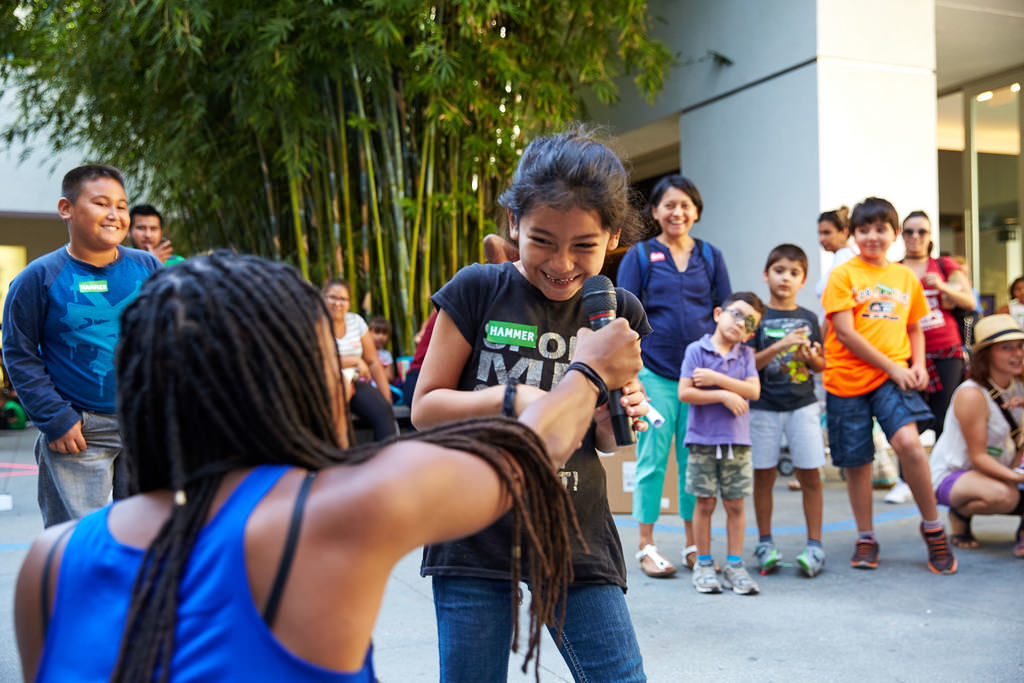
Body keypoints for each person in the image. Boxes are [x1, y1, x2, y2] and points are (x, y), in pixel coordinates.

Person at [14, 252, 646, 682]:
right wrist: (589, 372)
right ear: (292, 382)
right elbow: (531, 453)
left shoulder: (50, 564)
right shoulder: (333, 514)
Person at [413, 126, 651, 682]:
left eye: (584, 246)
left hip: (574, 528)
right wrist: (516, 397)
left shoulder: (620, 314)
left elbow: (612, 444)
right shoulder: (478, 289)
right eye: (541, 240)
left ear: (613, 236)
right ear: (514, 223)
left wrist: (619, 408)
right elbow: (425, 408)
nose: (562, 263)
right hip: (472, 525)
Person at [2, 165, 161, 527]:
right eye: (101, 203)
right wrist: (55, 418)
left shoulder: (149, 268)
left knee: (145, 535)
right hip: (77, 432)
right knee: (75, 542)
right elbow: (18, 353)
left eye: (121, 206)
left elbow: (172, 338)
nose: (114, 215)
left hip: (144, 424)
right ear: (66, 208)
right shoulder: (38, 278)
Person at [822, 196, 957, 574]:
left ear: (894, 234)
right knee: (858, 462)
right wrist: (897, 369)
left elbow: (915, 325)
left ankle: (933, 528)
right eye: (864, 230)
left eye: (881, 229)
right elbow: (845, 333)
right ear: (854, 234)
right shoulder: (844, 274)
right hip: (846, 381)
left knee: (910, 445)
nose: (872, 237)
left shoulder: (904, 277)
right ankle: (866, 537)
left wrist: (915, 364)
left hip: (891, 378)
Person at [617, 174, 732, 578]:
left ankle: (692, 543)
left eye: (685, 205)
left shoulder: (711, 256)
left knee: (693, 463)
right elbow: (623, 316)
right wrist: (631, 373)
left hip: (699, 377)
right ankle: (645, 546)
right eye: (669, 204)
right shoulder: (641, 256)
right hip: (654, 373)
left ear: (696, 211)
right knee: (651, 461)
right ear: (655, 212)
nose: (677, 212)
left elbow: (725, 314)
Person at [747, 245, 828, 577]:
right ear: (766, 275)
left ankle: (815, 545)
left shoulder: (809, 318)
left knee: (810, 474)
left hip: (803, 406)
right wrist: (780, 345)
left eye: (794, 273)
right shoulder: (757, 317)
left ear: (803, 280)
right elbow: (747, 364)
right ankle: (765, 542)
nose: (786, 277)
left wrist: (810, 359)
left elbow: (821, 365)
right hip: (763, 408)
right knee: (763, 476)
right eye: (779, 270)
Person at [678, 291, 764, 595]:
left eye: (749, 322)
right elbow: (685, 393)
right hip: (702, 441)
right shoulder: (696, 350)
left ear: (752, 333)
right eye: (737, 314)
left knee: (736, 504)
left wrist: (718, 381)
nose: (740, 323)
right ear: (718, 313)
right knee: (704, 502)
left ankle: (735, 565)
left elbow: (753, 391)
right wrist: (723, 396)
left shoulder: (746, 356)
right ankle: (703, 563)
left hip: (737, 444)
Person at [890, 211, 976, 503]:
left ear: (930, 237)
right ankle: (905, 479)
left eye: (921, 232)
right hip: (906, 351)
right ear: (902, 235)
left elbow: (969, 301)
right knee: (906, 414)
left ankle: (939, 474)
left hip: (945, 347)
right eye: (909, 231)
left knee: (943, 415)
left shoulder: (944, 265)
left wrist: (940, 285)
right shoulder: (894, 268)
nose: (915, 237)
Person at [928, 314, 1024, 556]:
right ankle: (960, 513)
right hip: (957, 473)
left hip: (1001, 465)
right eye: (1006, 348)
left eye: (1020, 346)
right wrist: (1017, 478)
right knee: (1005, 496)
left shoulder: (1019, 385)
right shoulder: (972, 394)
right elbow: (978, 457)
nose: (1017, 353)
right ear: (986, 354)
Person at [322, 280, 398, 442]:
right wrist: (354, 360)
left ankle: (387, 460)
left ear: (349, 303)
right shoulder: (315, 323)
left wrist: (387, 397)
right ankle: (341, 459)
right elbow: (316, 360)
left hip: (355, 382)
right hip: (325, 382)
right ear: (323, 299)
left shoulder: (356, 322)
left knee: (382, 411)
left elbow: (373, 362)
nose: (338, 303)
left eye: (343, 299)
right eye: (332, 297)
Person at [815, 206, 856, 299]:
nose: (821, 239)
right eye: (820, 233)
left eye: (827, 233)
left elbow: (822, 290)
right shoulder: (849, 255)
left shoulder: (844, 256)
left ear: (844, 232)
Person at [368, 316, 396, 384]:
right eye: (377, 332)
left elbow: (389, 376)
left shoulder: (386, 354)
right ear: (368, 333)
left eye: (384, 333)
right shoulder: (363, 352)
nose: (381, 336)